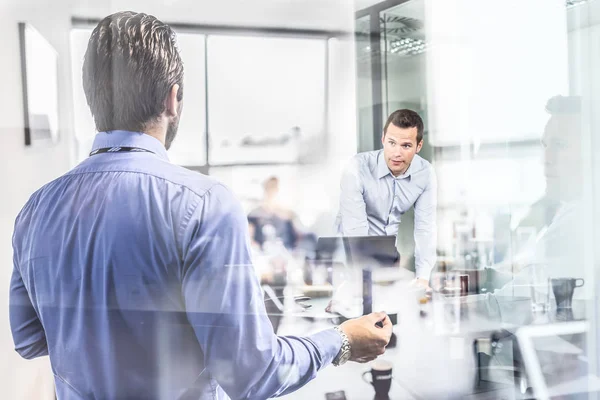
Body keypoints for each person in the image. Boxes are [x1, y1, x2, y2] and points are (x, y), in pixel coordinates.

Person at [9, 12, 393, 400]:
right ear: (172, 98)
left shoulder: (35, 210)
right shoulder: (202, 203)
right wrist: (342, 341)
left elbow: (28, 337)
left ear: (93, 98)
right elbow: (253, 377)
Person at [336, 109, 437, 285]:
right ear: (383, 139)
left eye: (406, 146)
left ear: (418, 146)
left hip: (387, 254)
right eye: (391, 143)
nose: (396, 153)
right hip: (347, 255)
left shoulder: (425, 173)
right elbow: (356, 232)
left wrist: (423, 278)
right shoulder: (357, 168)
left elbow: (425, 229)